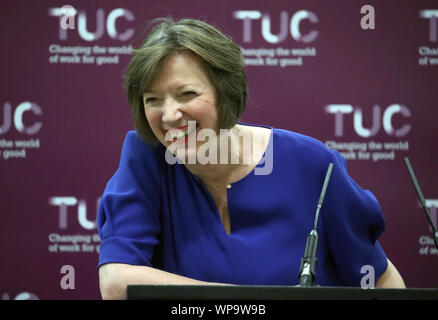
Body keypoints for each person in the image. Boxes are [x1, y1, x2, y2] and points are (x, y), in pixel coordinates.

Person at [97, 17, 405, 300]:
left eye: (187, 94)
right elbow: (116, 282)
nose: (169, 114)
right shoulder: (147, 157)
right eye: (153, 100)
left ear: (225, 92)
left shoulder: (311, 164)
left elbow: (378, 279)